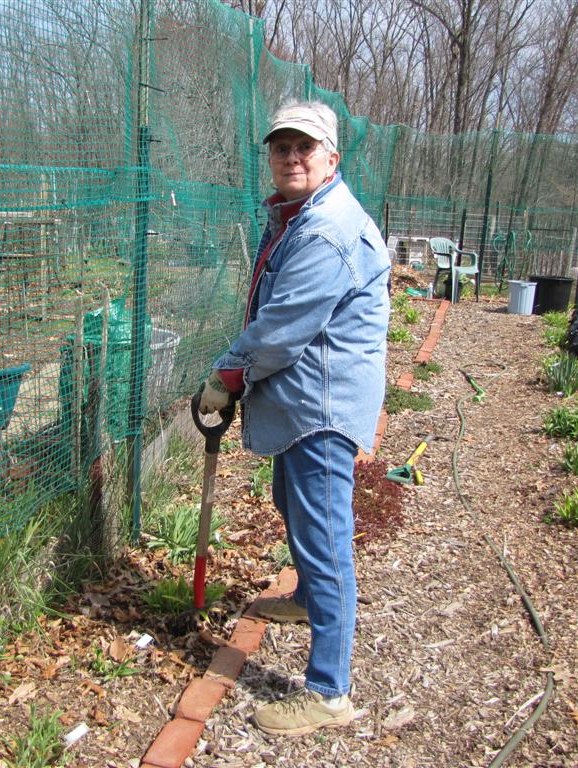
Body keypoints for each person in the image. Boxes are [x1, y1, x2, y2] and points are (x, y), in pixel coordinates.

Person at [197, 100, 390, 736]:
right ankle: (307, 600)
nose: (291, 157)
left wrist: (229, 375)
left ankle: (330, 692)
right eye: (281, 146)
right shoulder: (298, 214)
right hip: (306, 397)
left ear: (332, 157)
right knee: (291, 500)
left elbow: (280, 332)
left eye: (305, 147)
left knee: (326, 542)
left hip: (321, 407)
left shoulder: (327, 230)